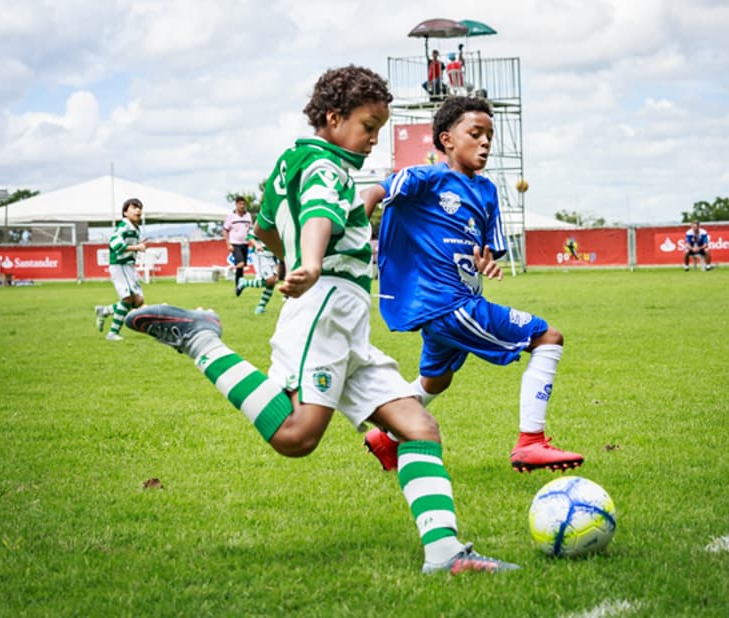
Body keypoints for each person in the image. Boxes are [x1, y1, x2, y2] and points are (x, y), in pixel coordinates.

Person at [124, 65, 518, 575]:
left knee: (418, 425)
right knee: (296, 434)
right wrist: (309, 262)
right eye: (368, 126)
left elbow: (267, 224)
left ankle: (445, 554)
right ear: (333, 118)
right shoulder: (328, 170)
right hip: (326, 304)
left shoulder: (292, 161)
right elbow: (318, 215)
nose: (374, 140)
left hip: (343, 314)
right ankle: (202, 341)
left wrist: (290, 259)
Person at [361, 96, 585, 474]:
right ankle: (531, 442)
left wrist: (486, 263)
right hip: (446, 305)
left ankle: (386, 439)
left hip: (459, 299)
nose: (485, 142)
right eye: (475, 133)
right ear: (447, 140)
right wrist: (350, 237)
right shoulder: (424, 178)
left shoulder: (487, 192)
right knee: (548, 338)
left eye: (490, 136)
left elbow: (484, 250)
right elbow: (373, 194)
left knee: (436, 380)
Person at [94, 198, 147, 341]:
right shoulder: (124, 225)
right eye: (134, 207)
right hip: (119, 265)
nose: (138, 210)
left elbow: (128, 245)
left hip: (128, 266)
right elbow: (114, 244)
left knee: (138, 301)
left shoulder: (135, 228)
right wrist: (137, 247)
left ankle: (104, 311)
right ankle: (112, 333)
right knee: (128, 298)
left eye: (140, 208)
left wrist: (138, 244)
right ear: (125, 212)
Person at [235, 230, 282, 315]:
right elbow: (249, 235)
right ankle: (244, 282)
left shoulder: (280, 226)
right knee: (269, 280)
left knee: (272, 282)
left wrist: (278, 274)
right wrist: (257, 245)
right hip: (261, 255)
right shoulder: (266, 221)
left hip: (272, 256)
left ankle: (261, 307)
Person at [224, 196, 253, 295]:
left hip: (245, 244)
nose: (242, 206)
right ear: (236, 205)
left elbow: (250, 229)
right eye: (240, 204)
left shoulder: (248, 215)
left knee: (242, 267)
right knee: (240, 264)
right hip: (235, 244)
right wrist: (228, 244)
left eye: (243, 204)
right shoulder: (231, 216)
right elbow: (225, 230)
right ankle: (238, 285)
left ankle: (239, 286)